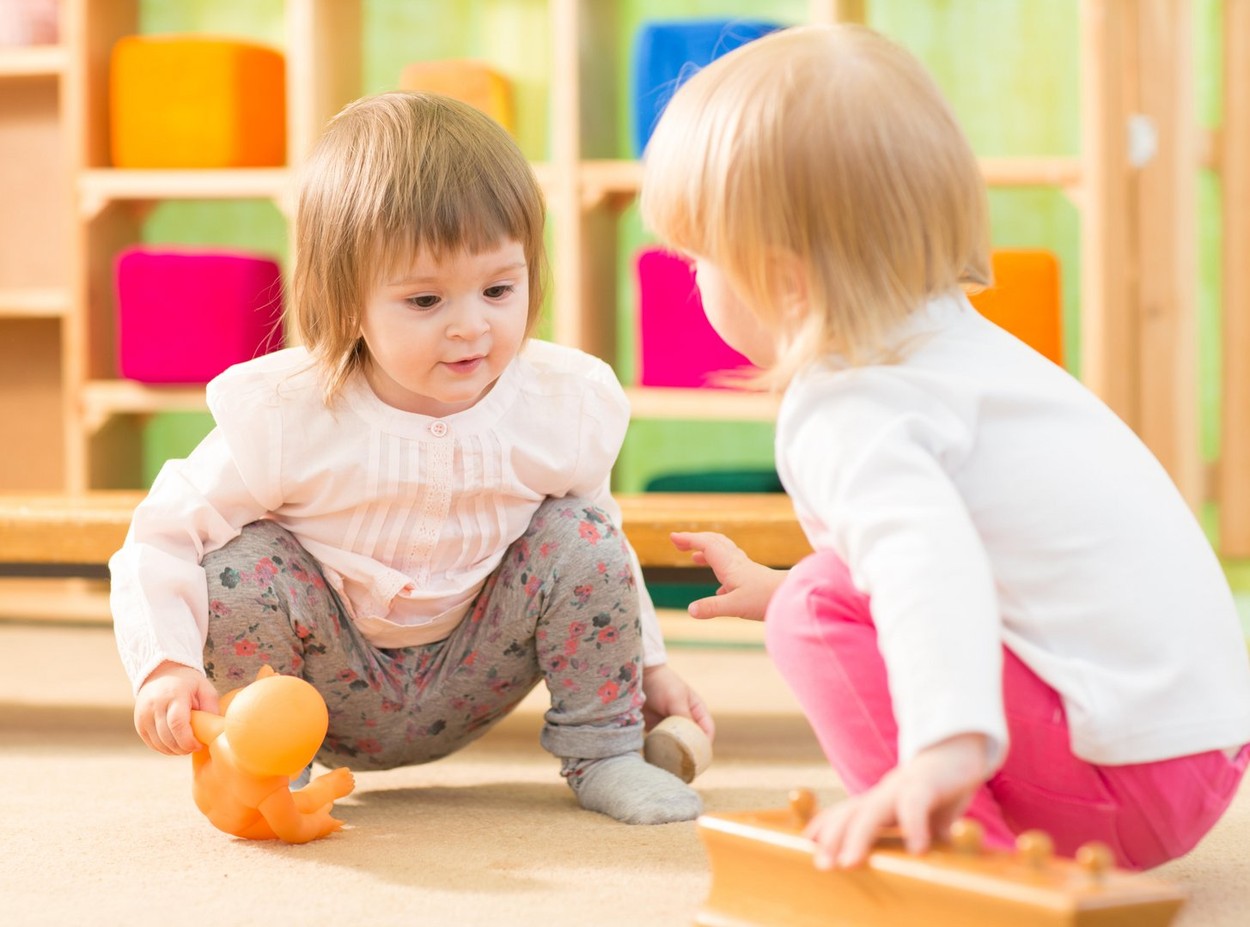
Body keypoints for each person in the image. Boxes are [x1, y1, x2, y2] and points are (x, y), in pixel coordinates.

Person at [640, 23, 1250, 869]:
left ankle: (956, 849)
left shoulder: (851, 400)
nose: (694, 279)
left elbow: (930, 568)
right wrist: (778, 586)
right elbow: (963, 561)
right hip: (1193, 752)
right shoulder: (966, 355)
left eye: (697, 257)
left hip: (1123, 776)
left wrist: (944, 746)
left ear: (782, 277)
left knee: (817, 612)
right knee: (813, 591)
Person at [110, 91, 711, 827]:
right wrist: (164, 664)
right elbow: (162, 532)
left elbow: (600, 551)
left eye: (498, 289)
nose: (472, 327)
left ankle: (607, 754)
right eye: (425, 300)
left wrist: (649, 664)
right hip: (318, 693)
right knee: (236, 559)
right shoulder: (288, 413)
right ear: (347, 302)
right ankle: (268, 769)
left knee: (582, 532)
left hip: (475, 671)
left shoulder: (562, 402)